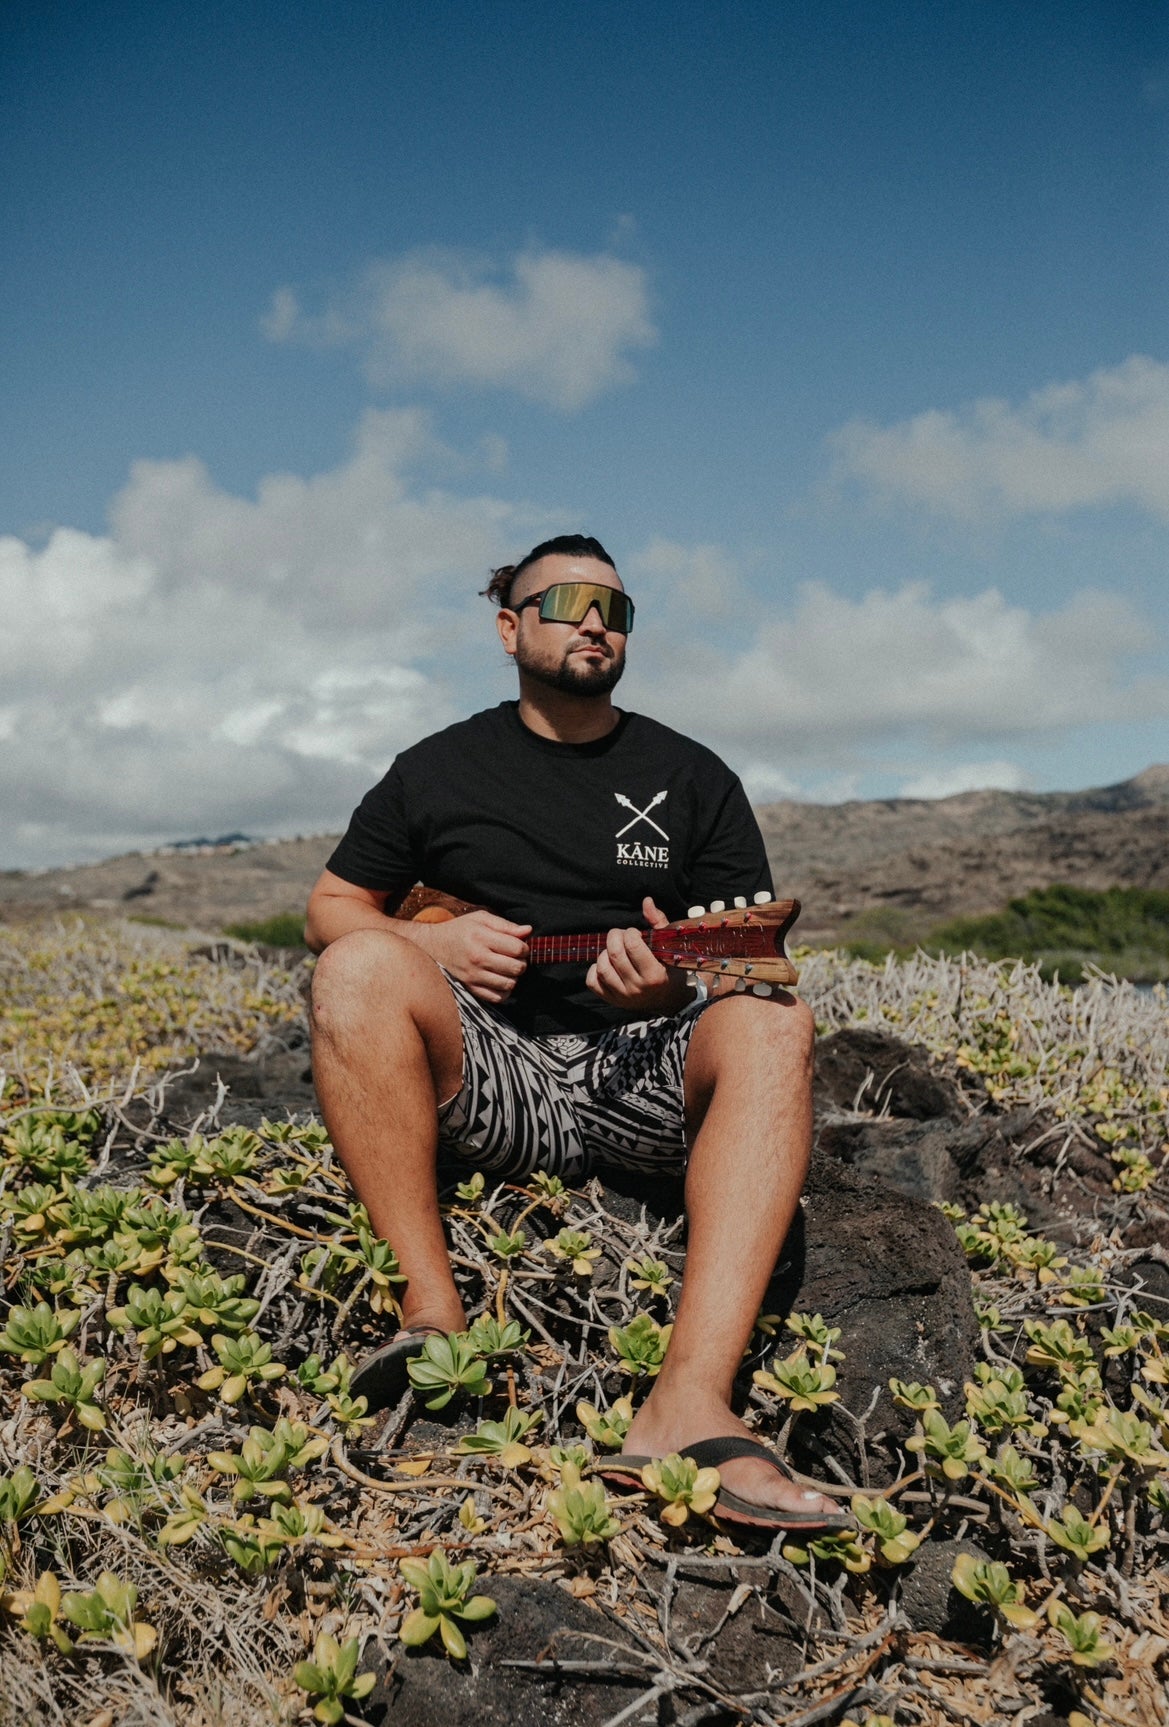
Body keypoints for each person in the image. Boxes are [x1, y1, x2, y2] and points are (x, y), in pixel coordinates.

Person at [306, 533, 848, 1530]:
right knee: (354, 967)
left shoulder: (689, 775)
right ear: (509, 629)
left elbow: (746, 964)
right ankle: (430, 1313)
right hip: (492, 1069)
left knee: (777, 1027)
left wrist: (659, 989)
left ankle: (684, 1401)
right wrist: (433, 942)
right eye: (562, 600)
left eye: (614, 606)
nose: (595, 617)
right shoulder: (435, 769)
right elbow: (331, 906)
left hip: (633, 1070)